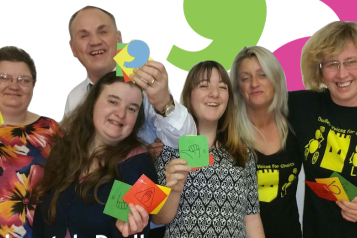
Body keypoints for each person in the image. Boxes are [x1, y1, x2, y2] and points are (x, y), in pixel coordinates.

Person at [33, 72, 156, 238]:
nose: (121, 114)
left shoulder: (140, 165)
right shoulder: (64, 148)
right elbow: (42, 217)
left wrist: (128, 233)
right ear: (93, 104)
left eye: (132, 108)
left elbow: (139, 232)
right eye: (113, 101)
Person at [153, 61, 265, 238]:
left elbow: (251, 218)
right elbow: (159, 218)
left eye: (222, 87)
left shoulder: (243, 153)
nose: (214, 94)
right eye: (204, 86)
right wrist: (174, 190)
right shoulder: (170, 148)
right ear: (189, 94)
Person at [64, 6, 196, 148]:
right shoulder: (74, 98)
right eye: (84, 35)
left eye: (103, 32)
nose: (95, 41)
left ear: (119, 38)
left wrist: (163, 102)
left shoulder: (146, 83)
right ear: (73, 48)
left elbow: (186, 141)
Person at [288, 21, 357, 238]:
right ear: (319, 69)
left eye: (351, 61)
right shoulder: (301, 106)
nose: (342, 73)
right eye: (332, 63)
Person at [230, 46, 302, 237]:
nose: (254, 84)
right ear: (237, 86)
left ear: (276, 79)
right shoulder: (227, 132)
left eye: (263, 75)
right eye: (245, 78)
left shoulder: (297, 123)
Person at [0, 46, 60, 237]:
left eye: (23, 80)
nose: (14, 86)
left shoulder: (51, 131)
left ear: (34, 85)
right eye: (4, 77)